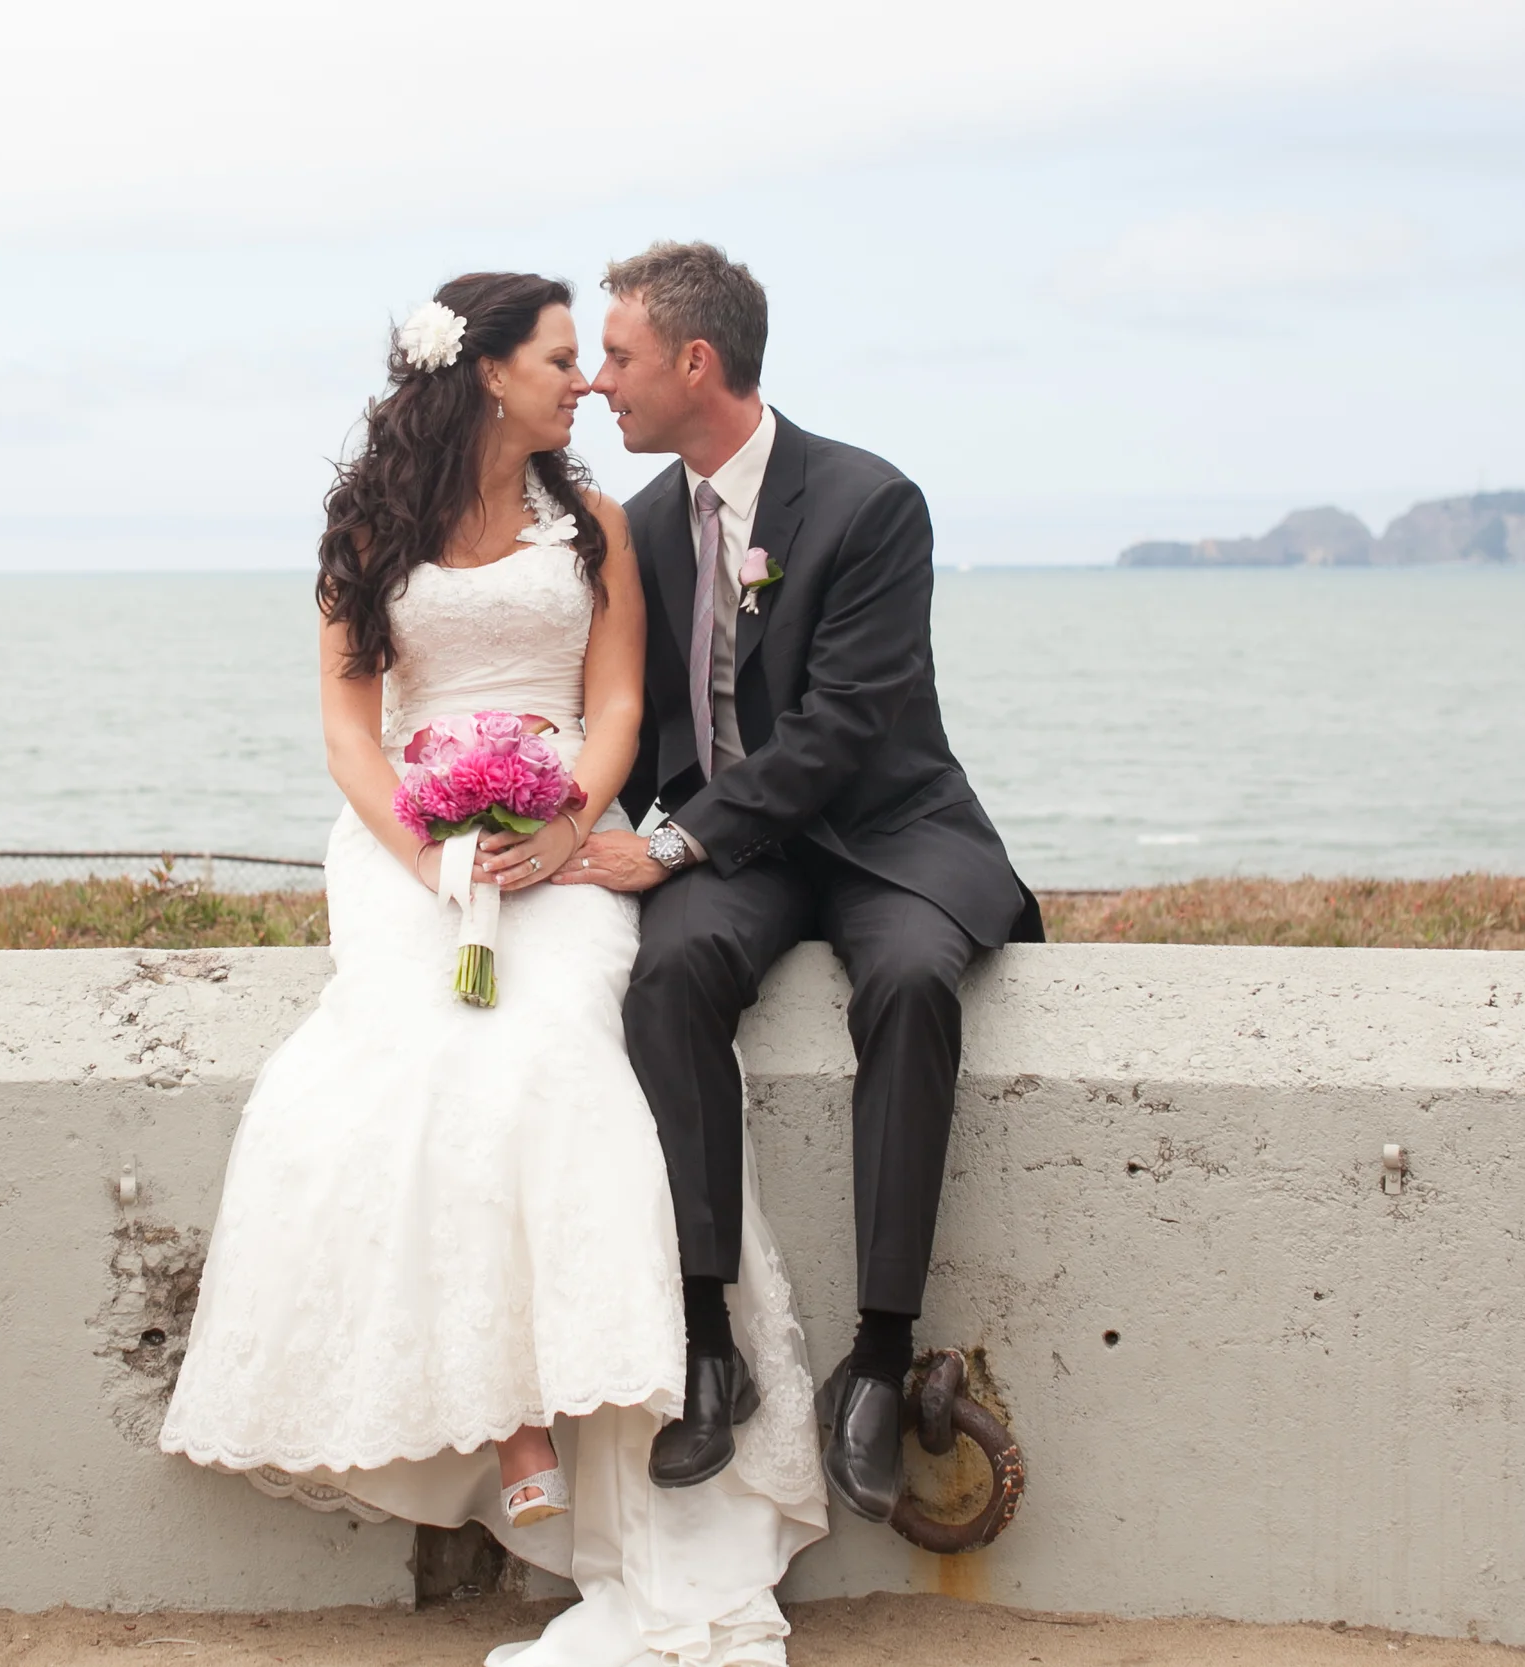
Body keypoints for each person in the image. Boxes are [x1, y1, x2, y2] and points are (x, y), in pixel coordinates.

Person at [158, 272, 824, 1667]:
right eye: (563, 357)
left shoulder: (590, 523)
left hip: (560, 834)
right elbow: (349, 728)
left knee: (558, 1054)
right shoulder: (367, 527)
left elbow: (623, 699)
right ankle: (510, 1417)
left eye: (595, 358)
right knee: (404, 1064)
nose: (585, 381)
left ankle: (621, 1419)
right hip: (406, 845)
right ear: (485, 375)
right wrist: (427, 852)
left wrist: (567, 823)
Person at [555, 242, 1042, 1522]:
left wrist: (667, 844)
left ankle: (878, 1356)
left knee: (912, 980)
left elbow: (837, 731)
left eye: (619, 357)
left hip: (884, 830)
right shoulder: (646, 527)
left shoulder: (872, 504)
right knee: (666, 973)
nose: (602, 384)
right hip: (744, 849)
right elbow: (621, 709)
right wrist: (542, 824)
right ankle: (706, 1337)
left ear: (695, 362)